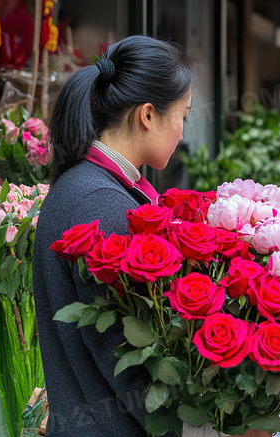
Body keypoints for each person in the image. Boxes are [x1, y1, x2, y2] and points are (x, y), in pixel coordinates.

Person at [33, 36, 192, 436]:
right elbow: (127, 364)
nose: (182, 133)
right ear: (148, 116)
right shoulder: (101, 206)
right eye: (184, 117)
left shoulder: (85, 186)